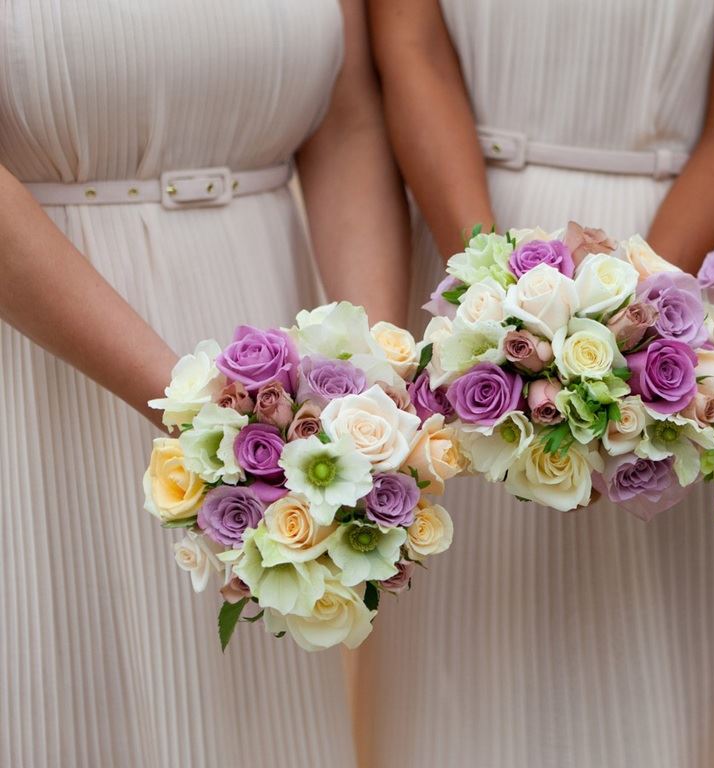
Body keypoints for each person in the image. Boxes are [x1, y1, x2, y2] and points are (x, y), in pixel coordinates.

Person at [356, 1, 714, 765]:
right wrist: (498, 310)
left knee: (664, 661)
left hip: (671, 268)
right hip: (466, 249)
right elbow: (412, 45)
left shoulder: (654, 310)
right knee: (466, 668)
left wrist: (628, 336)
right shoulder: (482, 290)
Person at [0, 1, 409, 765]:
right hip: (43, 344)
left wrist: (371, 390)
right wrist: (209, 420)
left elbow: (346, 118)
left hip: (268, 350)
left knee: (249, 716)